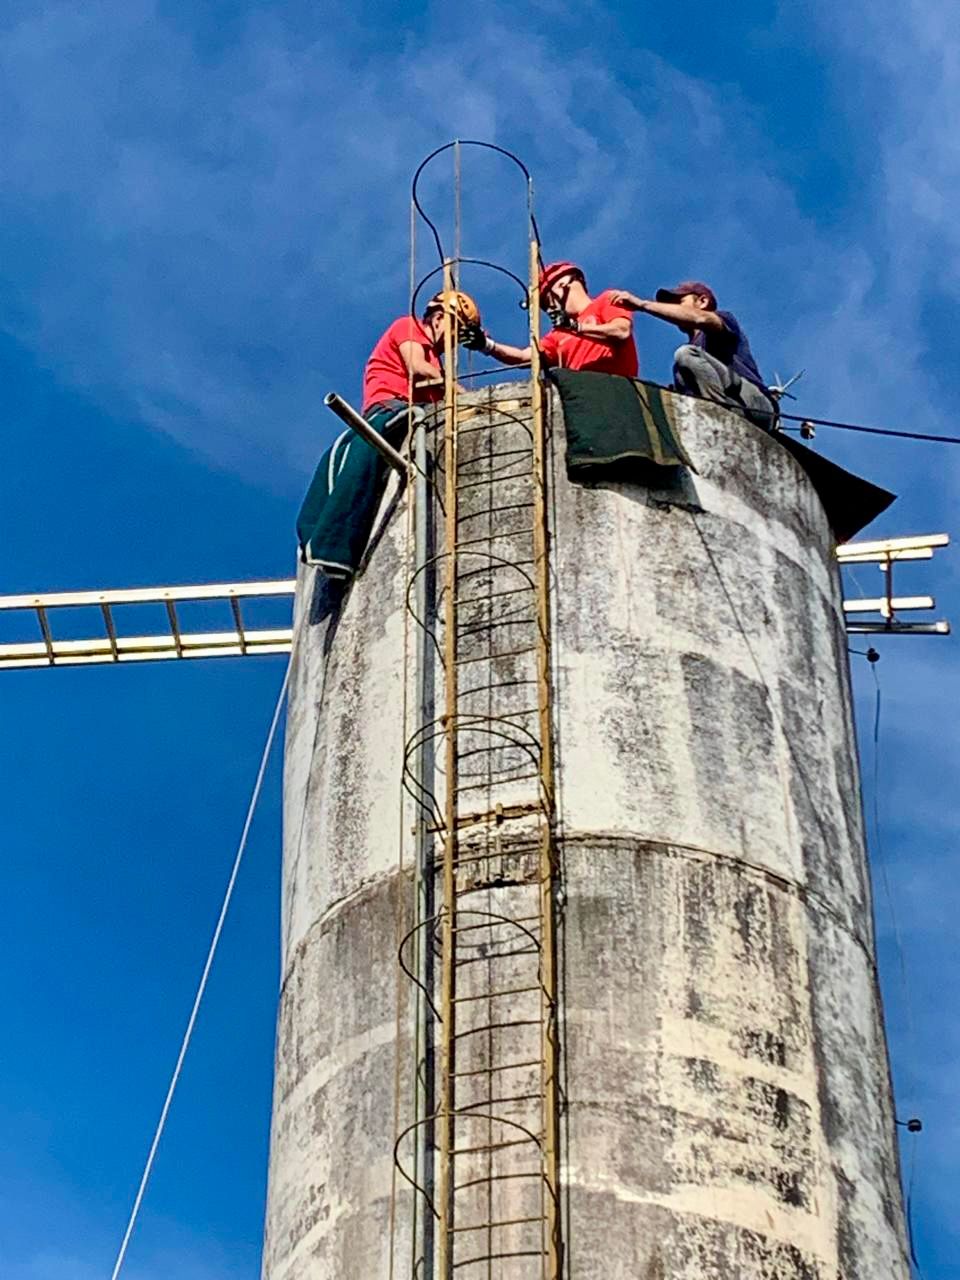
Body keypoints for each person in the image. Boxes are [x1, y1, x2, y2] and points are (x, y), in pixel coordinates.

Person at [297, 291, 480, 577]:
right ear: (439, 318)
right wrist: (463, 394)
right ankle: (333, 541)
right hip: (390, 404)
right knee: (364, 455)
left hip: (412, 407)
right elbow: (416, 368)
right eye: (456, 330)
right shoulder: (408, 327)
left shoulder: (435, 360)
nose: (454, 341)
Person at [610, 280, 775, 427]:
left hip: (753, 405)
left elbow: (701, 319)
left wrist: (642, 304)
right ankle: (712, 419)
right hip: (734, 408)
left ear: (702, 301)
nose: (673, 308)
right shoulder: (687, 365)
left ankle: (718, 417)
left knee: (686, 355)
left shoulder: (721, 320)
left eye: (679, 302)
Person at [467, 261, 638, 377]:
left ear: (563, 286)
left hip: (620, 390)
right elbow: (524, 357)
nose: (550, 310)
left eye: (548, 302)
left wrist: (576, 327)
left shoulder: (606, 300)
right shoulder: (558, 335)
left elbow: (621, 331)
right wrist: (487, 345)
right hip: (585, 398)